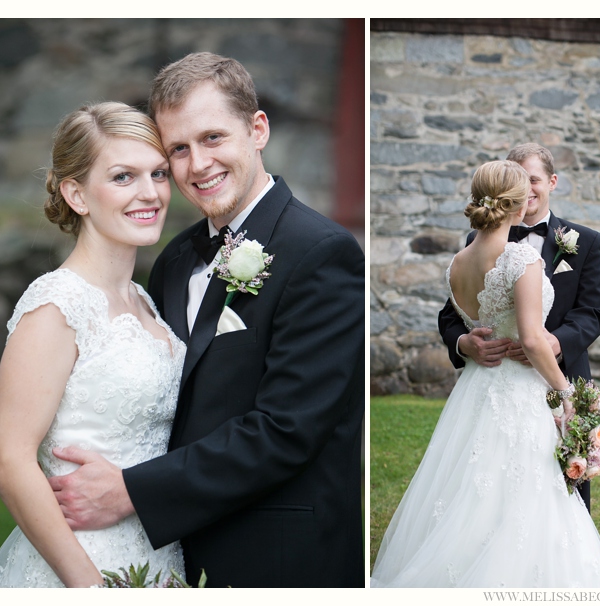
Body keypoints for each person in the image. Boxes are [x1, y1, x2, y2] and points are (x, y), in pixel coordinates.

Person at [47, 52, 365, 588]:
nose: (198, 165)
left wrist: (131, 490)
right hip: (168, 554)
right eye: (178, 149)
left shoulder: (322, 253)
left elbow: (287, 429)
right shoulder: (173, 260)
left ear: (257, 129)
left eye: (213, 138)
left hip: (279, 560)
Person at [370, 160, 600, 587]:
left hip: (477, 392)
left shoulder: (459, 260)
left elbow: (590, 312)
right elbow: (532, 338)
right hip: (524, 391)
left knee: (470, 492)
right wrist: (569, 398)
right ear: (518, 203)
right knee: (527, 491)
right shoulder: (520, 257)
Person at [0, 103, 186, 587]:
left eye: (158, 173)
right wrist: (91, 588)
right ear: (76, 193)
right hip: (82, 564)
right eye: (123, 177)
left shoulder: (143, 299)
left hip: (159, 557)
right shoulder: (57, 304)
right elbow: (8, 461)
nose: (150, 192)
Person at [438, 142, 600, 512]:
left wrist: (555, 343)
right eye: (520, 180)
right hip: (501, 379)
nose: (528, 189)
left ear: (552, 182)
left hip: (555, 369)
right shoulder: (482, 246)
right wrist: (465, 343)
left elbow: (593, 312)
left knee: (561, 483)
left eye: (534, 179)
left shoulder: (585, 241)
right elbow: (451, 316)